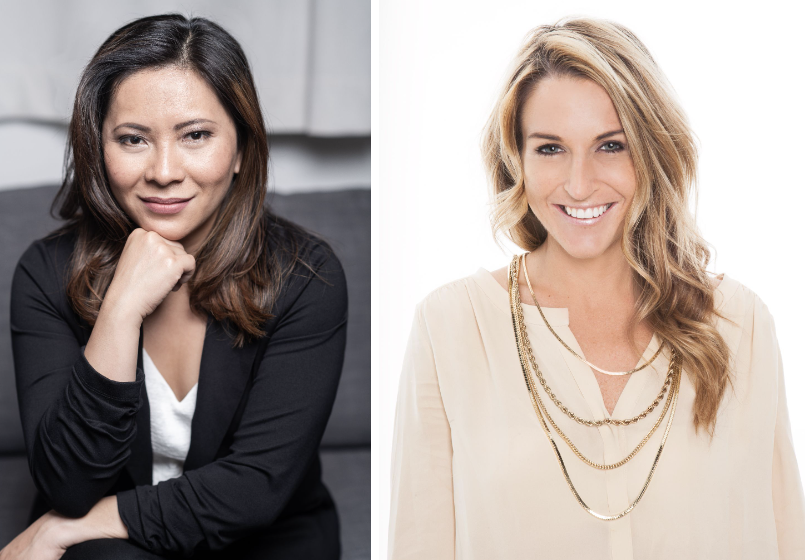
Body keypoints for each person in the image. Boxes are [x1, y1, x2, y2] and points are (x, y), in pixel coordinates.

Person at [388, 17, 805, 560]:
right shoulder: (451, 328)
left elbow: (780, 539)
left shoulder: (738, 324)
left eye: (610, 146)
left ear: (652, 152)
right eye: (550, 149)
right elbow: (418, 543)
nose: (580, 184)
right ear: (516, 158)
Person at [3, 14, 346, 560]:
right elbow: (68, 485)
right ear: (99, 149)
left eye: (196, 136)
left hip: (264, 542)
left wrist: (64, 529)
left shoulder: (305, 275)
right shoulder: (45, 274)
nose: (164, 171)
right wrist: (120, 308)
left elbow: (255, 488)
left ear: (239, 150)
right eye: (133, 139)